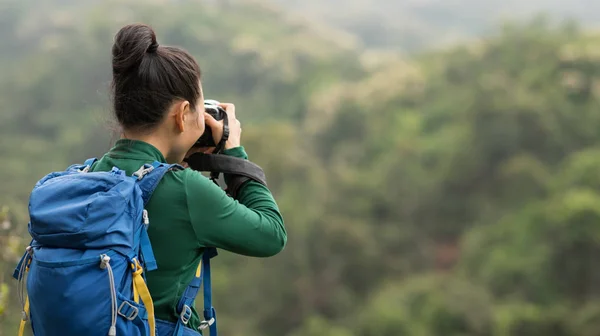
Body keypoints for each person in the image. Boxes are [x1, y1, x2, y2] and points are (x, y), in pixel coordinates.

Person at [92, 23, 287, 333]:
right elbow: (272, 234)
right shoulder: (184, 189)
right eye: (200, 107)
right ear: (182, 114)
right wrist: (234, 154)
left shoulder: (89, 173)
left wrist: (177, 156)